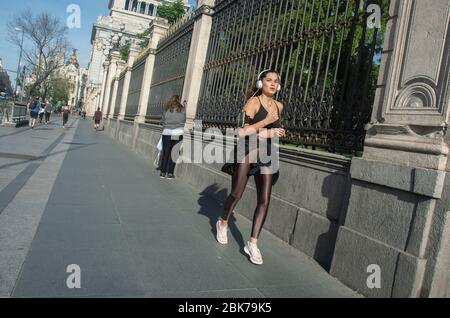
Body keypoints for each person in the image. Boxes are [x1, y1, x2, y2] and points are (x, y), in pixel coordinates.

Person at [218, 70, 286, 265]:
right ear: (260, 83)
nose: (272, 84)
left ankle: (253, 243)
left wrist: (277, 132)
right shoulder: (253, 103)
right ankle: (223, 221)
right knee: (236, 194)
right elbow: (242, 132)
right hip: (247, 149)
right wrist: (267, 125)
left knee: (264, 199)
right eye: (269, 80)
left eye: (276, 81)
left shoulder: (279, 106)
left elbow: (271, 132)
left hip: (267, 153)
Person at [160, 95, 186, 180]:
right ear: (179, 100)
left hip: (167, 132)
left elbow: (163, 120)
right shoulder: (182, 109)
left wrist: (166, 125)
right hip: (177, 133)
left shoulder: (167, 108)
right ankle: (170, 173)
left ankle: (163, 172)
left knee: (166, 152)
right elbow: (184, 120)